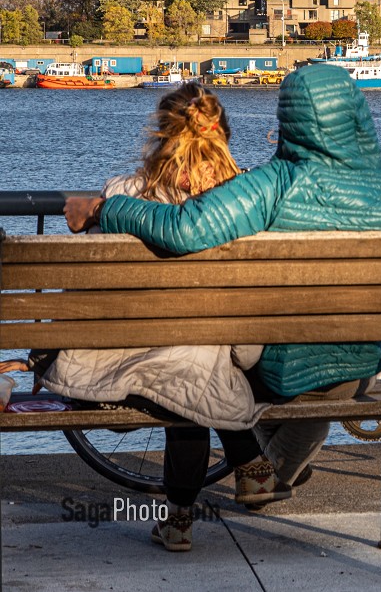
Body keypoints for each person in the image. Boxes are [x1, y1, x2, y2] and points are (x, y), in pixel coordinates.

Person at [64, 63, 381, 532]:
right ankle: (262, 475)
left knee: (201, 364)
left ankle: (203, 503)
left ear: (291, 120)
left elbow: (186, 228)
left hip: (281, 371)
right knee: (213, 364)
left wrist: (104, 207)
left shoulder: (273, 185)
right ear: (358, 118)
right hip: (360, 370)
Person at [2, 82, 285, 553]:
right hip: (218, 354)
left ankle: (183, 518)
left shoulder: (121, 195)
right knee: (200, 356)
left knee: (186, 361)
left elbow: (87, 299)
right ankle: (245, 469)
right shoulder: (245, 202)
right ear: (223, 136)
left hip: (126, 363)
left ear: (158, 135)